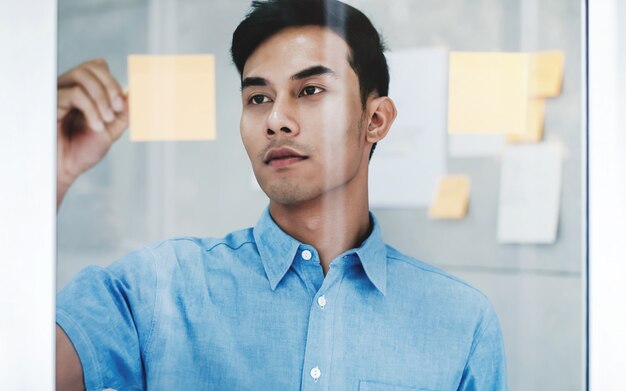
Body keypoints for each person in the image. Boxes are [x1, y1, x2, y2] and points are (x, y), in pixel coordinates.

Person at [56, 0, 508, 389]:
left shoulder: (460, 321)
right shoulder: (156, 289)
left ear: (376, 120)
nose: (276, 119)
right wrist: (52, 176)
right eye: (257, 98)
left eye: (310, 90)